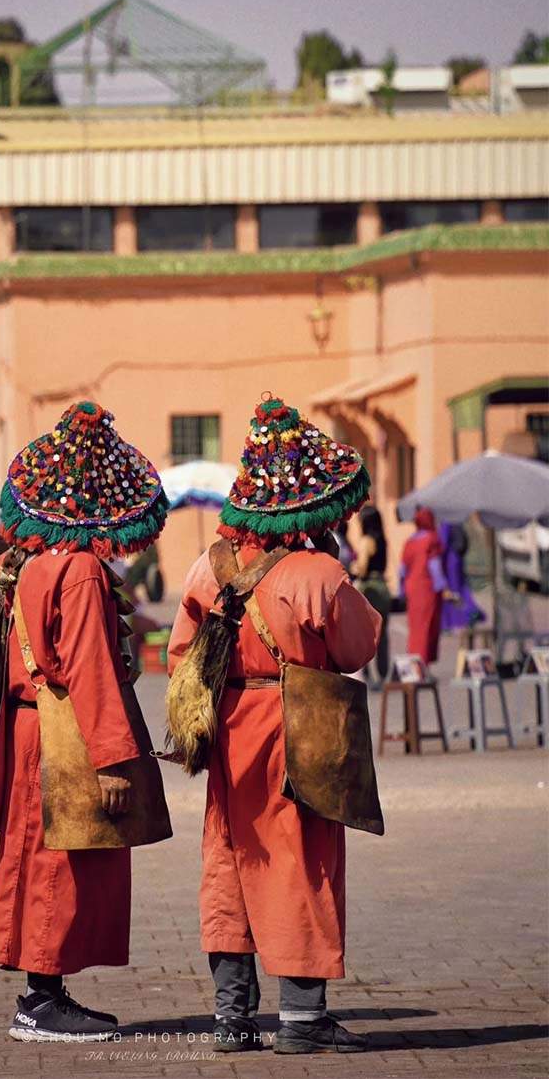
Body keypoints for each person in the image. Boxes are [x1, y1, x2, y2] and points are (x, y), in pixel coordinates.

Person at [168, 396, 381, 1056]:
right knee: (302, 863)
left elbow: (180, 653)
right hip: (296, 726)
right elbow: (357, 648)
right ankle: (302, 1018)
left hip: (227, 727)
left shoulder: (211, 566)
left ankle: (232, 1019)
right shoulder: (319, 572)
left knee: (228, 862)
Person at [0, 400, 170, 1042]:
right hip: (66, 731)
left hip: (28, 728)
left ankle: (43, 993)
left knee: (37, 856)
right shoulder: (82, 571)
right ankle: (41, 999)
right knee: (62, 860)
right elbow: (90, 668)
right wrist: (114, 758)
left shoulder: (16, 565)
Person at [400, 507, 451, 668]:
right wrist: (444, 587)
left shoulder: (410, 541)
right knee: (427, 627)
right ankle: (421, 666)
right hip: (427, 589)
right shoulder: (432, 539)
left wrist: (401, 590)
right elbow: (434, 566)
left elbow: (402, 570)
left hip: (412, 588)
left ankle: (415, 665)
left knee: (415, 628)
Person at [351, 505, 391, 688]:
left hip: (370, 589)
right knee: (383, 635)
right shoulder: (383, 540)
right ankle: (383, 673)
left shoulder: (366, 541)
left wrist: (352, 567)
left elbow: (362, 567)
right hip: (383, 587)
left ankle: (367, 675)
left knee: (366, 634)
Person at [439, 521, 485, 631]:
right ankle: (471, 611)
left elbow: (443, 544)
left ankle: (459, 618)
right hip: (458, 559)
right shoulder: (457, 520)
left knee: (452, 592)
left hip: (449, 561)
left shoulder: (446, 522)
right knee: (462, 589)